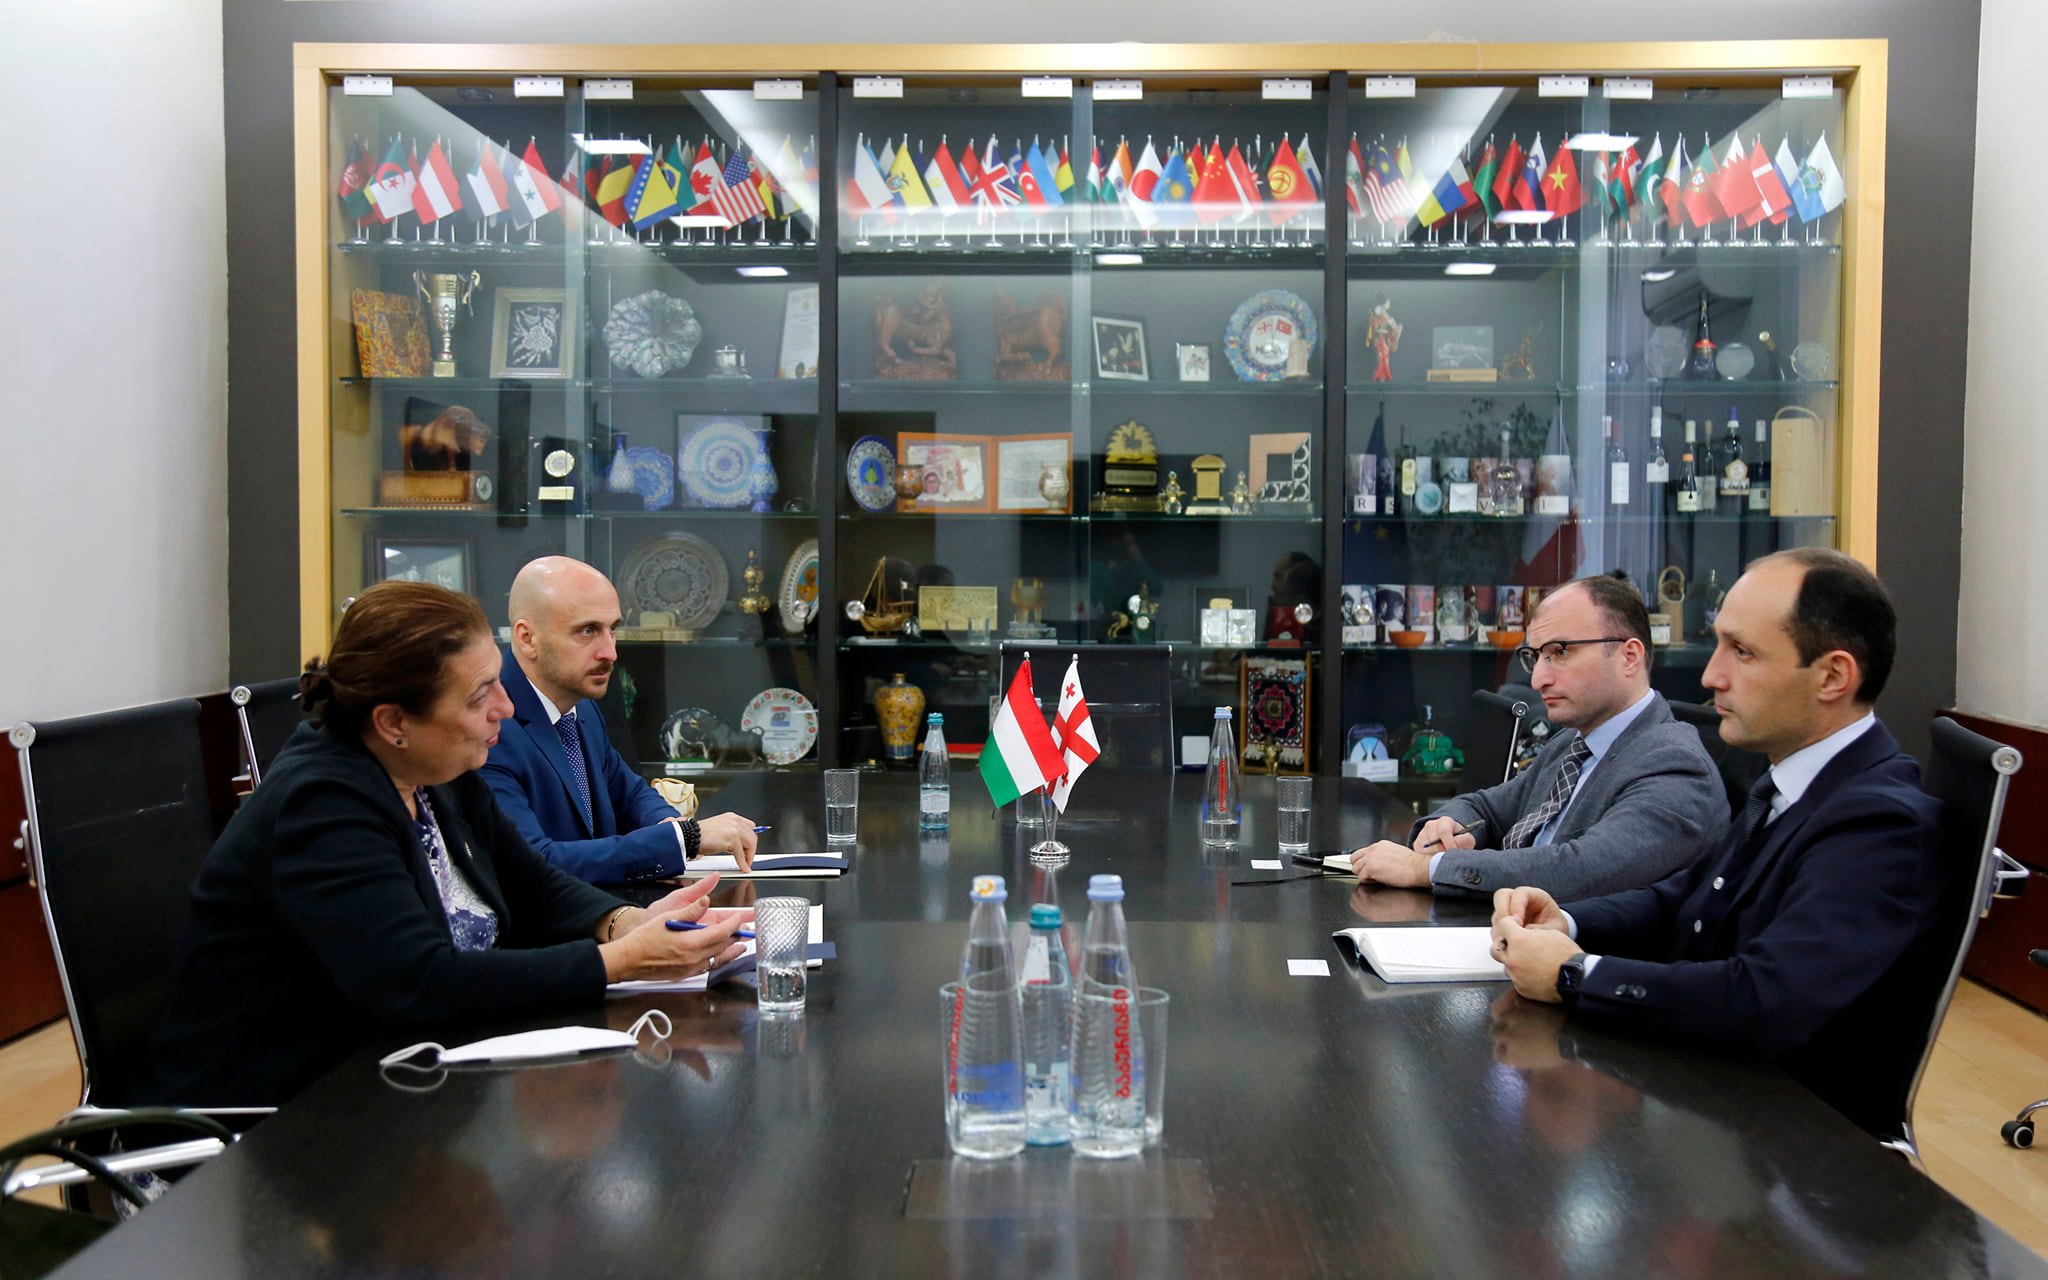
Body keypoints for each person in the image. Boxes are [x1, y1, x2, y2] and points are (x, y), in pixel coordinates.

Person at [145, 581, 753, 1107]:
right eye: (480, 694)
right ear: (393, 722)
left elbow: (531, 883)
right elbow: (416, 981)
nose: (505, 707)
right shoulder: (323, 805)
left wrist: (626, 922)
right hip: (281, 1118)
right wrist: (622, 962)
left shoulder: (436, 769)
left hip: (404, 1076)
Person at [1489, 548, 1943, 1137]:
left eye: (1742, 652)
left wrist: (1577, 974)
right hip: (1710, 1093)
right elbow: (1687, 899)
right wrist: (1569, 921)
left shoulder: (1880, 824)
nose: (1710, 676)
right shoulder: (1793, 783)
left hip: (1791, 1143)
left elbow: (1762, 999)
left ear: (1833, 676)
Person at [1350, 574, 1726, 899]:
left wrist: (1425, 869)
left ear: (1629, 656)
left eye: (1560, 652)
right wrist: (1448, 826)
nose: (1538, 680)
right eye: (1535, 657)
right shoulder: (1573, 742)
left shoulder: (1676, 765)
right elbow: (1486, 807)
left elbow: (1580, 870)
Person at [482, 557, 758, 884]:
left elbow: (630, 795)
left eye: (612, 629)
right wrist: (685, 838)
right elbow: (534, 863)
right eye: (587, 631)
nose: (610, 653)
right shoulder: (487, 727)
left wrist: (670, 827)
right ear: (528, 638)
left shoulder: (581, 707)